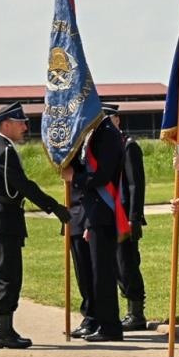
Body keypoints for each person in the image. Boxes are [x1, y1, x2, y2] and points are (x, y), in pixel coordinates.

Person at [0, 103, 68, 349]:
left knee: (11, 276)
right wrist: (54, 207)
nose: (25, 127)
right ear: (6, 124)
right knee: (7, 276)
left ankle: (4, 330)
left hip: (5, 218)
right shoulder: (4, 150)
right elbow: (23, 185)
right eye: (21, 123)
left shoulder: (4, 148)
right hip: (2, 219)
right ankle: (1, 332)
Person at [63, 114, 127, 342]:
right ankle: (102, 321)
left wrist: (76, 178)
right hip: (94, 212)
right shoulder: (97, 132)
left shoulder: (108, 133)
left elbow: (102, 175)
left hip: (103, 212)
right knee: (96, 274)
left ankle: (110, 327)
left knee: (103, 274)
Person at [110, 106, 149, 332]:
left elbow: (136, 185)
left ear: (117, 119)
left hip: (126, 215)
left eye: (109, 119)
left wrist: (134, 218)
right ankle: (127, 309)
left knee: (127, 264)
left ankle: (136, 312)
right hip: (111, 214)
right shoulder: (108, 146)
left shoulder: (128, 146)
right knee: (116, 264)